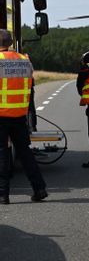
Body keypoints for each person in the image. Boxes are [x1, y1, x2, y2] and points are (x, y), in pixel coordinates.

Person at [0, 29, 48, 204]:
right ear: (11, 43)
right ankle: (39, 188)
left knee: (2, 154)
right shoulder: (24, 60)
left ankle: (3, 194)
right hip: (19, 114)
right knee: (25, 153)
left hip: (1, 114)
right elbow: (30, 86)